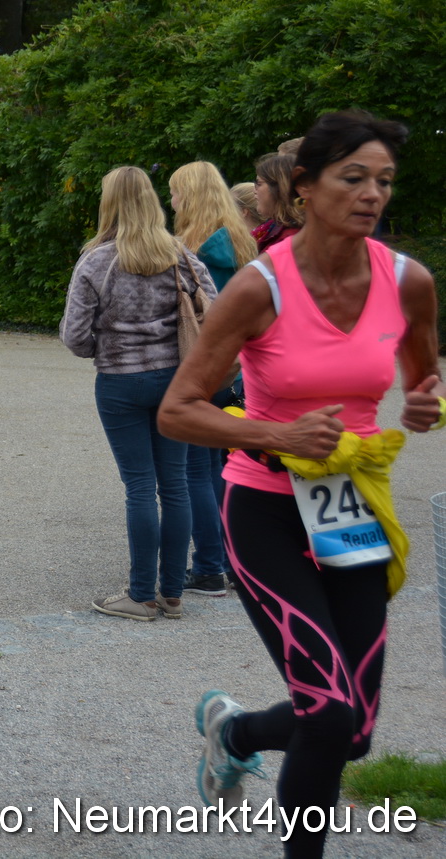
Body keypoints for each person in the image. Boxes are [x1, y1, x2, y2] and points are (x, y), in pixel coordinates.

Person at [158, 110, 441, 859]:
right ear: (305, 189)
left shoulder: (409, 281)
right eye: (353, 178)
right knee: (326, 710)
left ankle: (238, 730)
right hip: (265, 508)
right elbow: (177, 411)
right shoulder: (259, 288)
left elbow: (422, 375)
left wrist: (425, 401)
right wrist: (274, 432)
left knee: (353, 729)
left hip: (349, 507)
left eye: (383, 180)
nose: (372, 194)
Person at [61, 166, 214, 621]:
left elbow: (74, 336)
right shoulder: (181, 256)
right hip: (177, 381)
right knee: (177, 485)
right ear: (152, 201)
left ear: (108, 204)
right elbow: (218, 309)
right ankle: (172, 593)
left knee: (140, 488)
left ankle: (141, 594)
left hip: (121, 382)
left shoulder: (96, 262)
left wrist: (103, 348)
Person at [169, 161, 260, 597]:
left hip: (204, 364)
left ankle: (208, 565)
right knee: (224, 467)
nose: (171, 202)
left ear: (188, 196)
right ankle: (231, 558)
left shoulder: (192, 249)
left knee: (195, 470)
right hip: (239, 366)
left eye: (174, 193)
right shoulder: (242, 242)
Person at [252, 151, 304, 252]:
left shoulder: (290, 240)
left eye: (259, 183)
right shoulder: (273, 228)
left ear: (279, 189)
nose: (254, 190)